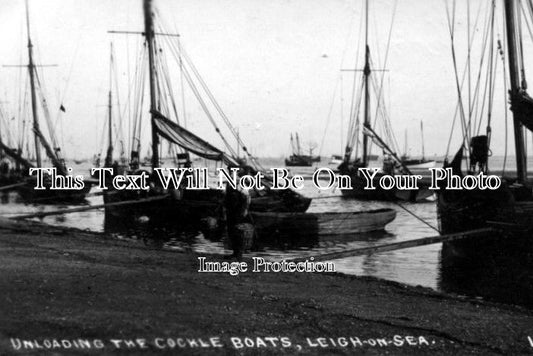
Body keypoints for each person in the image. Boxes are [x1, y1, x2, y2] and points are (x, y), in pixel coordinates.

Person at [224, 174, 251, 260]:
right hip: (230, 212)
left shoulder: (241, 188)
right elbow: (225, 200)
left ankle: (239, 254)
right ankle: (235, 253)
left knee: (237, 232)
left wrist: (245, 210)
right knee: (231, 232)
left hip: (238, 212)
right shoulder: (229, 187)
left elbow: (247, 199)